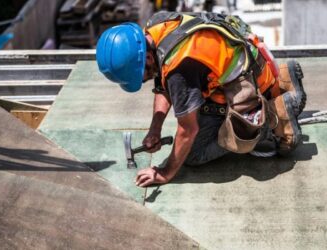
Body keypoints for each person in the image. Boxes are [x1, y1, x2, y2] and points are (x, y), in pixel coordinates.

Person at [96, 12, 306, 187]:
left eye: (139, 76)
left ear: (148, 58)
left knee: (193, 154)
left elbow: (188, 130)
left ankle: (274, 117)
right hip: (254, 62)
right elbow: (162, 82)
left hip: (250, 86)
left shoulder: (180, 68)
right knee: (190, 108)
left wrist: (165, 173)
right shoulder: (156, 26)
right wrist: (155, 128)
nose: (141, 82)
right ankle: (284, 80)